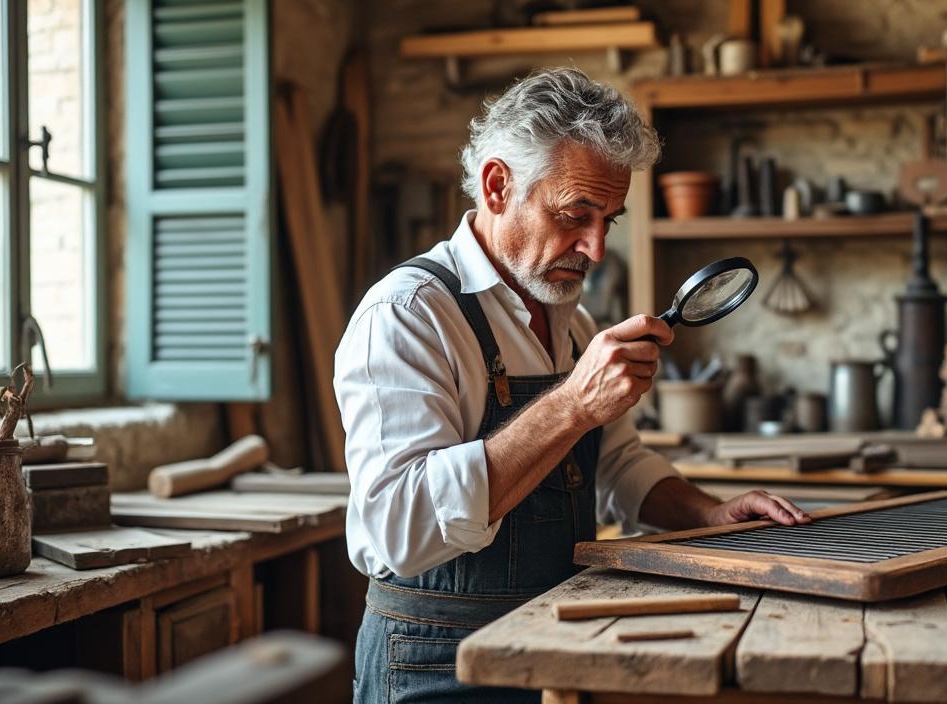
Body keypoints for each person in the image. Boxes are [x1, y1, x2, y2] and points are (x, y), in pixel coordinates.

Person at [335, 68, 810, 703]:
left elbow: (617, 463)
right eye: (574, 214)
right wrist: (572, 406)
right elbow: (400, 530)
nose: (596, 248)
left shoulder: (572, 319)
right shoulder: (408, 316)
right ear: (498, 186)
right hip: (435, 663)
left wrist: (708, 514)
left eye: (608, 220)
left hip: (556, 641)